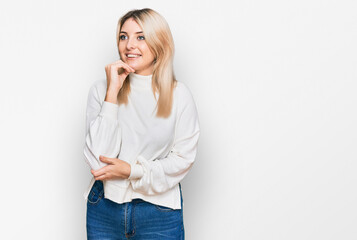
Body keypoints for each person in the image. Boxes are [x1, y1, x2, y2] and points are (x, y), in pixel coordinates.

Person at [83, 8, 200, 240]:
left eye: (141, 37)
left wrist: (132, 171)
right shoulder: (102, 90)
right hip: (104, 207)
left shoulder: (178, 94)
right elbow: (98, 161)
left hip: (159, 211)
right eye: (123, 36)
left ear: (159, 43)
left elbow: (183, 158)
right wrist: (113, 92)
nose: (129, 45)